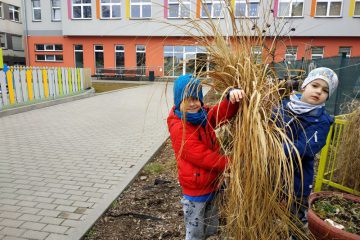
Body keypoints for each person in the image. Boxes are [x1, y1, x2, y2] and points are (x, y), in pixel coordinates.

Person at [167, 74, 245, 240]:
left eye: (197, 98)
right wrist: (230, 163)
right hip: (195, 191)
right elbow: (201, 156)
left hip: (213, 184)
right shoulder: (179, 127)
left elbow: (221, 113)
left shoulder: (203, 115)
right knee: (195, 232)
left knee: (210, 226)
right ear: (178, 101)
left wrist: (231, 98)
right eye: (188, 99)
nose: (193, 103)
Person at [278, 67, 339, 238]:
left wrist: (270, 147)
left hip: (298, 181)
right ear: (304, 86)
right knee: (271, 209)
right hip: (273, 175)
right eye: (315, 85)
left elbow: (302, 148)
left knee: (296, 220)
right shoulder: (285, 105)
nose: (319, 91)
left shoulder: (322, 122)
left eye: (325, 90)